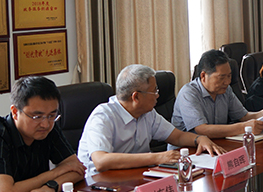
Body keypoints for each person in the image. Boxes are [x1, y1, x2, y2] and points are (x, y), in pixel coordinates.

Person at [78, 65, 226, 173]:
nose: (158, 95)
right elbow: (101, 161)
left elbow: (177, 137)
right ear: (136, 97)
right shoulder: (103, 117)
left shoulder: (148, 113)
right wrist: (157, 157)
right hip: (99, 185)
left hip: (135, 175)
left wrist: (199, 139)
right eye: (154, 91)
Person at [172, 50, 263, 138]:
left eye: (229, 76)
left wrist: (262, 113)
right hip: (186, 149)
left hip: (215, 144)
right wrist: (243, 127)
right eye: (221, 77)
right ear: (203, 76)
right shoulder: (188, 93)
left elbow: (243, 116)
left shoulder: (225, 90)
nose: (227, 82)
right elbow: (202, 129)